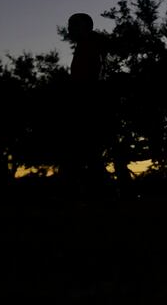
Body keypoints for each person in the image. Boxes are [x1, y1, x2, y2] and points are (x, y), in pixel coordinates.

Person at [65, 12, 108, 199]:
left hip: (88, 104)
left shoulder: (91, 46)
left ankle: (99, 193)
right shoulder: (85, 45)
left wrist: (83, 100)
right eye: (70, 25)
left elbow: (92, 75)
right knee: (88, 152)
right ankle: (97, 193)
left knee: (87, 150)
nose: (70, 28)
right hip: (86, 103)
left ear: (87, 27)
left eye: (74, 24)